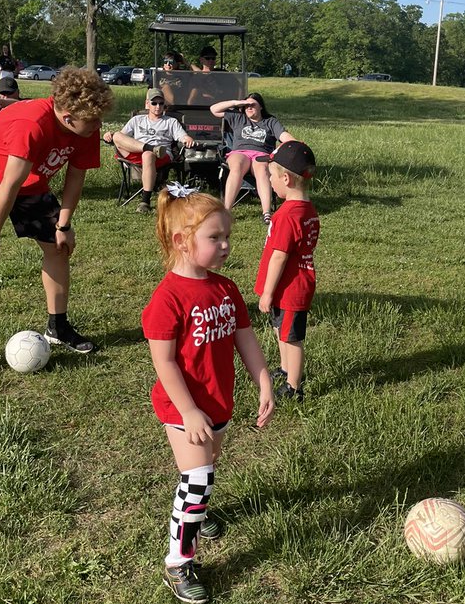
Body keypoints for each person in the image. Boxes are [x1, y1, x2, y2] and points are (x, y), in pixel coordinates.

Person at [142, 185, 274, 604]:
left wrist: (263, 378)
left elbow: (244, 337)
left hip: (218, 400)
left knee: (208, 466)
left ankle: (197, 514)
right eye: (214, 237)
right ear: (182, 241)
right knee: (197, 477)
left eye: (227, 236)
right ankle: (178, 562)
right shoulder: (167, 299)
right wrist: (188, 410)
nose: (225, 245)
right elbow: (164, 362)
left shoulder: (225, 289)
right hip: (183, 406)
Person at [0, 66, 113, 379]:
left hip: (30, 182)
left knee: (58, 247)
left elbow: (76, 176)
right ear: (68, 117)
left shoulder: (86, 128)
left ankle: (58, 327)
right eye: (93, 120)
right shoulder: (33, 124)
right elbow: (9, 184)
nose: (99, 125)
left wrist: (63, 225)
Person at [255, 141, 320, 404]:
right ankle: (285, 369)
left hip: (289, 288)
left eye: (271, 175)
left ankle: (294, 387)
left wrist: (267, 293)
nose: (269, 181)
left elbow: (279, 256)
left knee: (292, 338)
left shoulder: (288, 215)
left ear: (286, 179)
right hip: (289, 286)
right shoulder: (307, 209)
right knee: (281, 330)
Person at [105, 90, 197, 213]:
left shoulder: (171, 121)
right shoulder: (137, 120)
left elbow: (182, 136)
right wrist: (109, 135)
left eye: (161, 103)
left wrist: (188, 139)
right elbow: (121, 137)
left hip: (161, 155)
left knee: (148, 155)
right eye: (154, 103)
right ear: (147, 104)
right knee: (117, 136)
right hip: (139, 152)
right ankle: (150, 148)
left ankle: (145, 201)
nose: (158, 106)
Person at [210, 92, 297, 224]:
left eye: (252, 105)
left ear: (261, 106)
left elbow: (284, 136)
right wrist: (237, 103)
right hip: (240, 152)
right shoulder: (238, 117)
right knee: (237, 167)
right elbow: (214, 109)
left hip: (262, 154)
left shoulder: (270, 121)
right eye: (246, 106)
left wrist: (296, 143)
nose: (249, 107)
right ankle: (226, 211)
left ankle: (266, 213)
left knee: (262, 169)